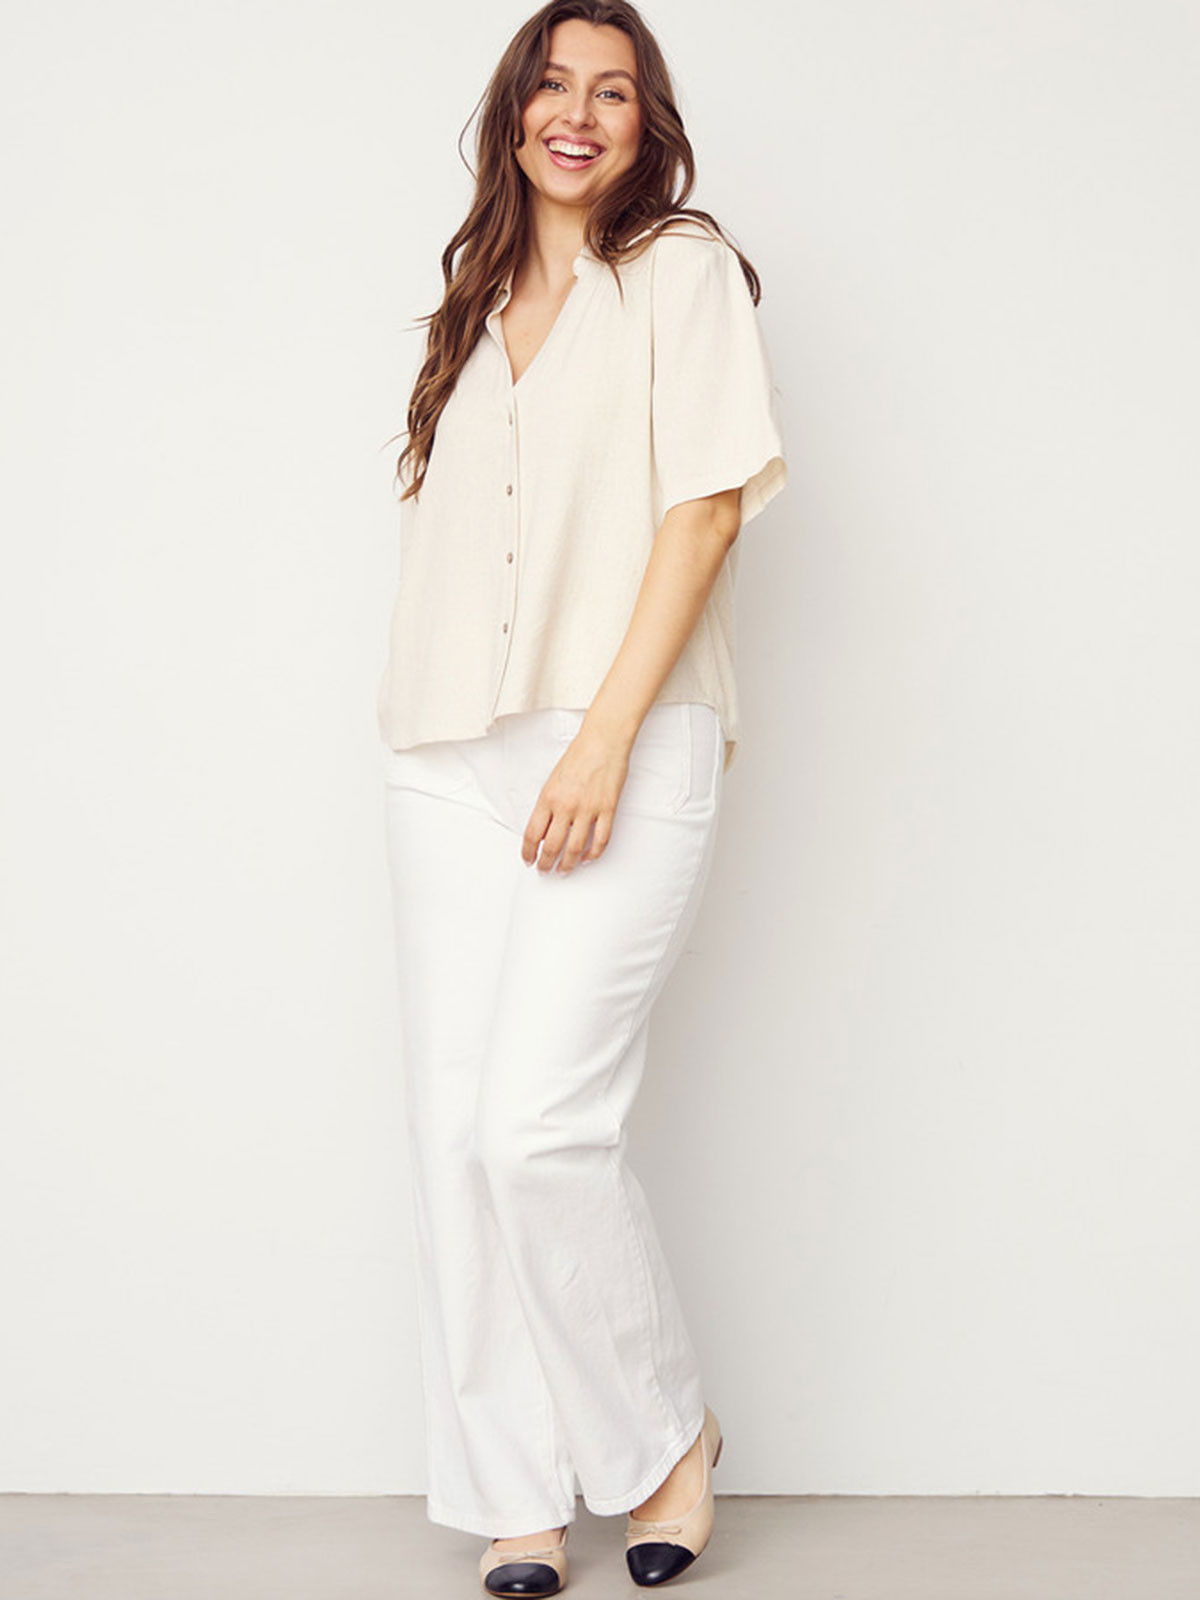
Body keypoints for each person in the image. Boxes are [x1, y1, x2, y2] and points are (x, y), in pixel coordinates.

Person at [376, 3, 787, 1592]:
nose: (579, 112)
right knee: (455, 1136)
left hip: (620, 732)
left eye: (614, 92)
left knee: (538, 1125)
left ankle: (668, 1438)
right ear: (513, 112)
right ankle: (517, 1494)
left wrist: (603, 741)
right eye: (553, 83)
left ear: (644, 126)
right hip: (446, 750)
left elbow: (705, 514)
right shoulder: (471, 304)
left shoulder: (680, 270)